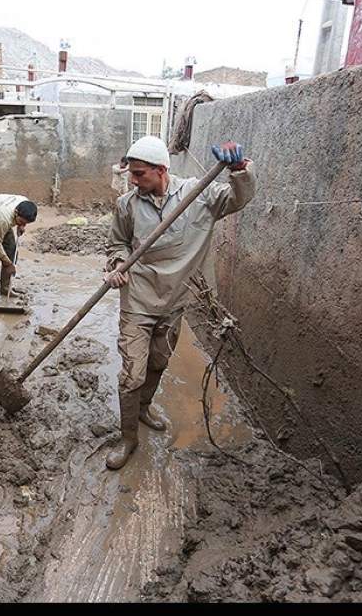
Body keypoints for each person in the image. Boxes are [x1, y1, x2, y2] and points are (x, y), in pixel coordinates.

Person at [103, 136, 255, 469]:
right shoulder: (127, 205)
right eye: (131, 173)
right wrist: (116, 265)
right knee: (132, 374)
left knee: (159, 361)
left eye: (140, 174)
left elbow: (238, 198)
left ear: (161, 170)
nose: (133, 180)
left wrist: (239, 171)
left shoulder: (197, 195)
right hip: (139, 300)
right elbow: (117, 244)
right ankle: (128, 438)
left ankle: (143, 408)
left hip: (175, 300)